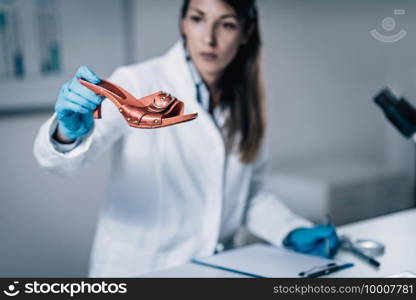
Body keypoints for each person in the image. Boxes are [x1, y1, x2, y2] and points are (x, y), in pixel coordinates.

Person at [33, 0, 339, 277]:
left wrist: (290, 229)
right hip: (140, 272)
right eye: (198, 18)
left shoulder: (247, 101)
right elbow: (61, 161)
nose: (209, 37)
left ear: (247, 32)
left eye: (227, 24)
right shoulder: (137, 81)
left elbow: (249, 195)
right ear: (183, 24)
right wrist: (66, 132)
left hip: (216, 271)